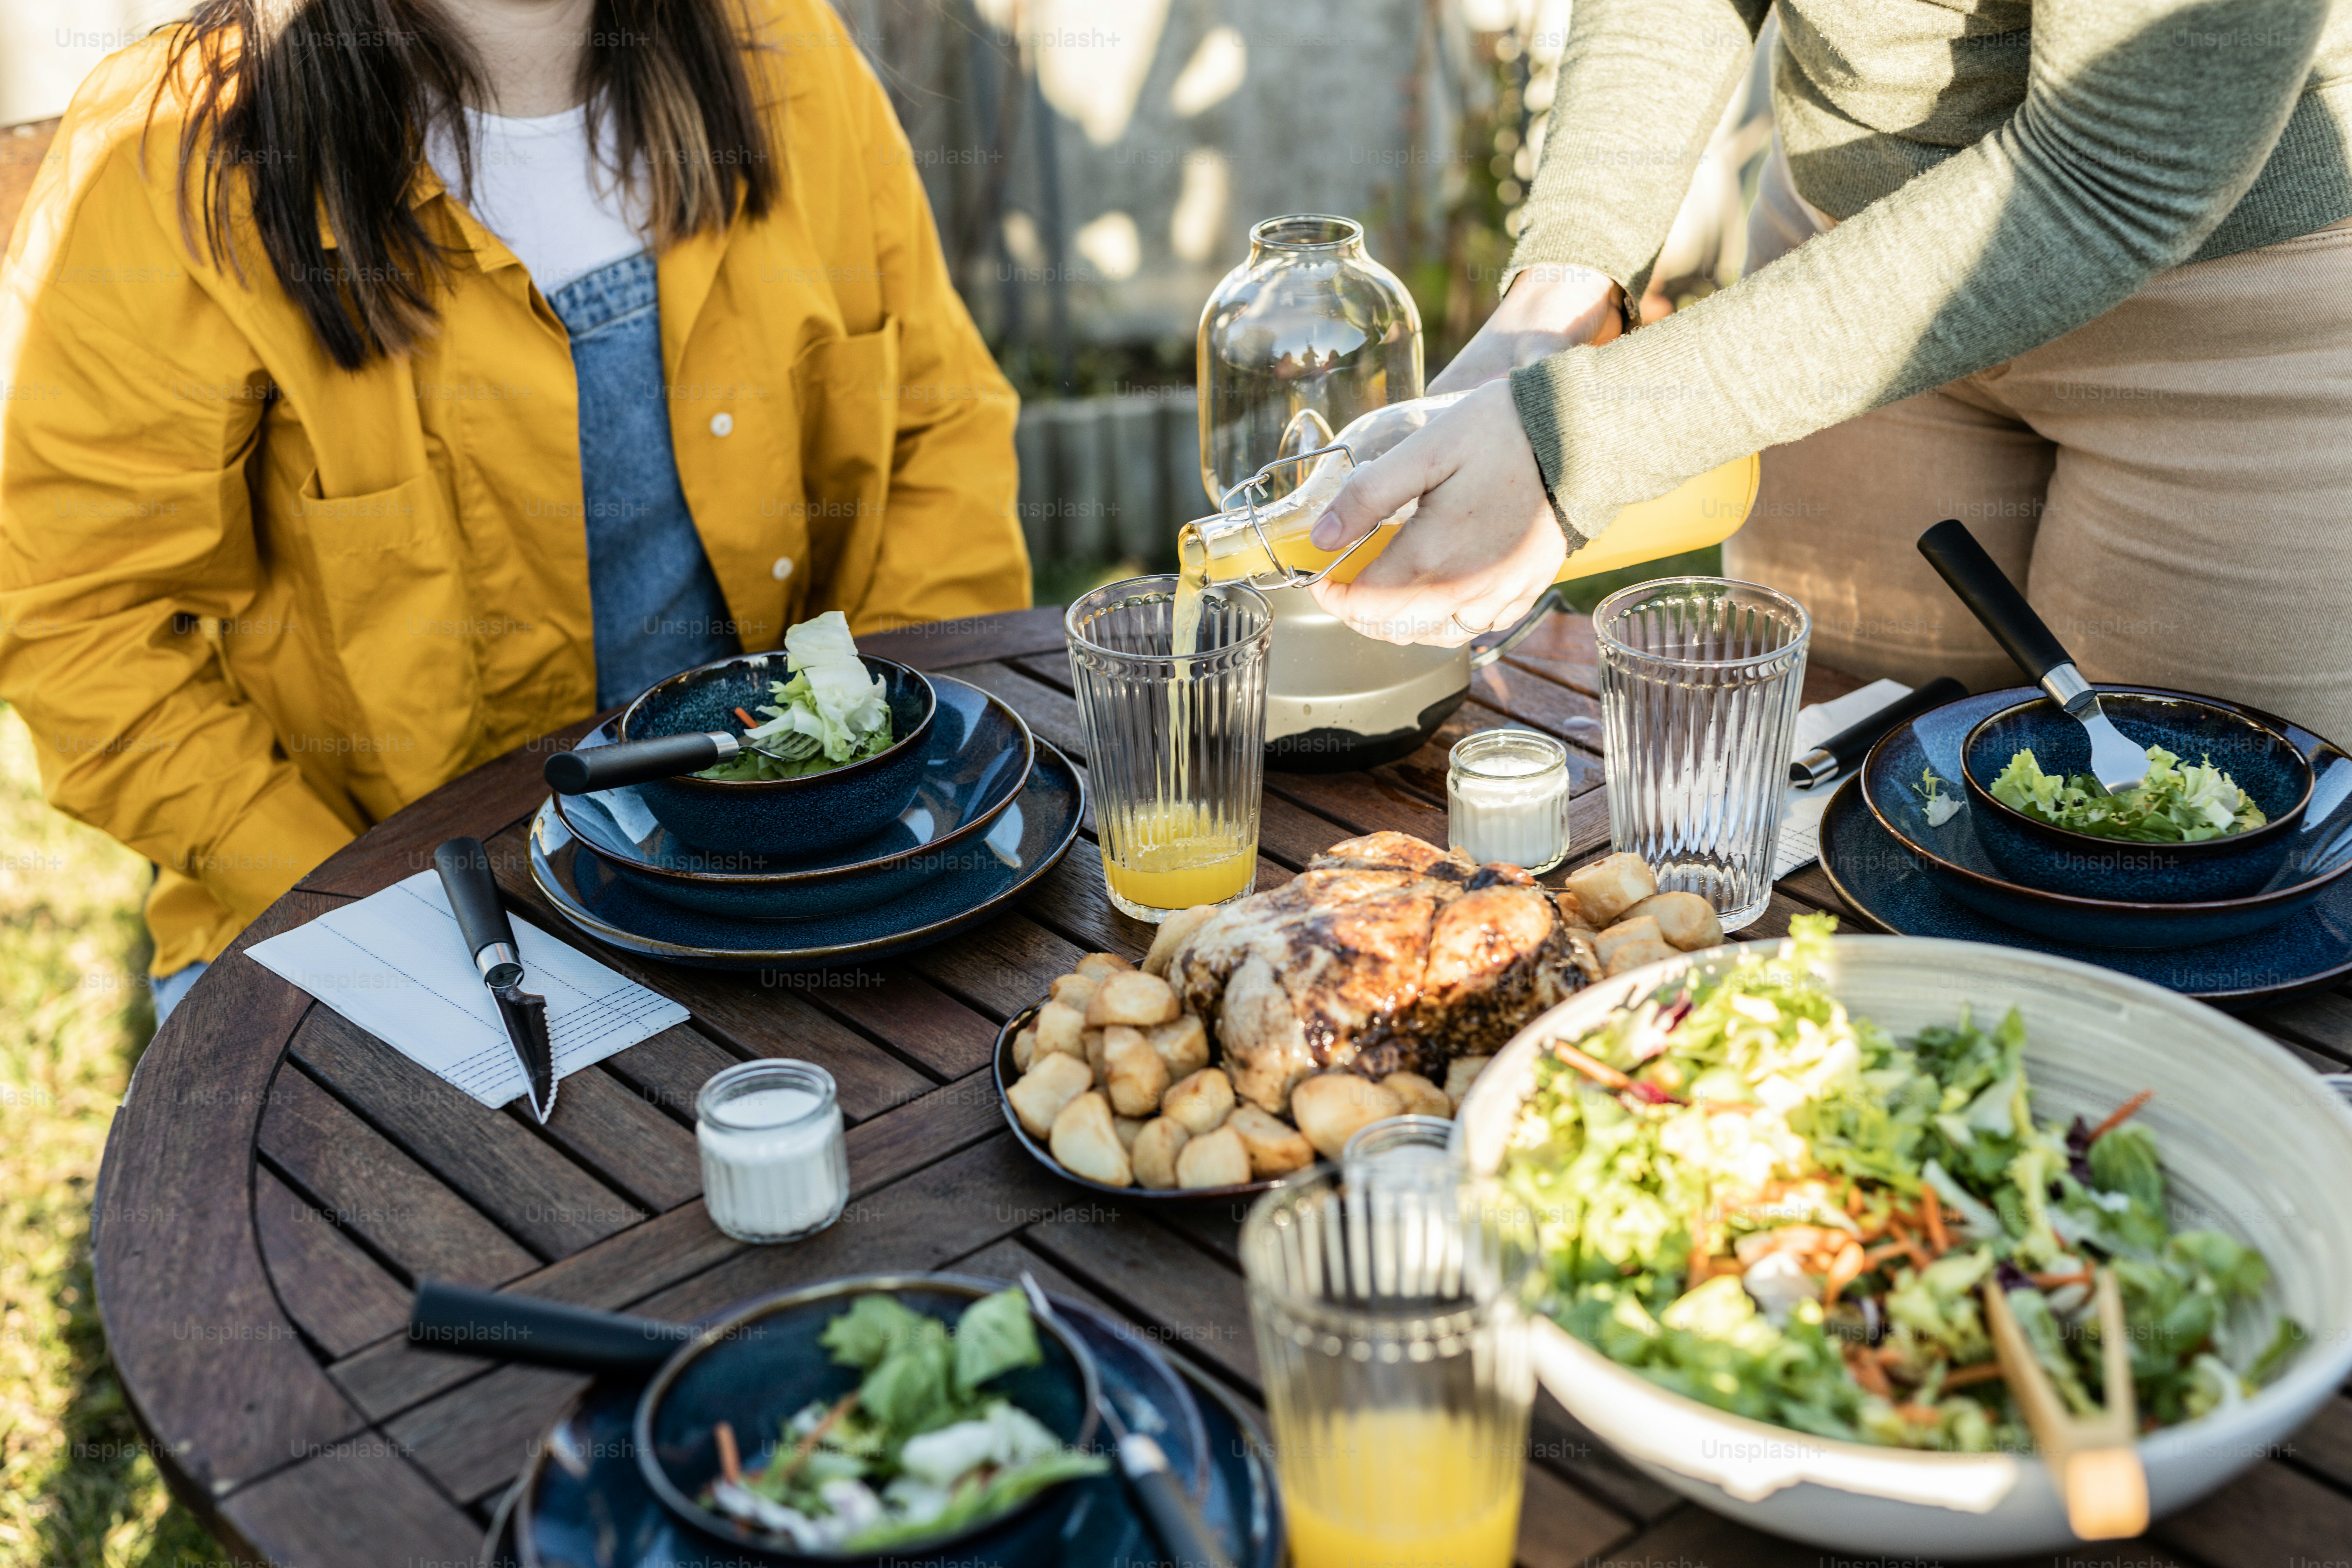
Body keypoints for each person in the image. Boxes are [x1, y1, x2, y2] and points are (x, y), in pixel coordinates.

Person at [0, 0, 1028, 1021]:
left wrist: (876, 782)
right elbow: (83, 624)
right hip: (361, 913)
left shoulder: (786, 49)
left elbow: (939, 432)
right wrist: (358, 901)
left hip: (777, 876)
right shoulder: (170, 155)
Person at [1308, 0, 2352, 743]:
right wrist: (1558, 300)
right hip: (1845, 293)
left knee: (2199, 874)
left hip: (2238, 329)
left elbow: (2119, 167)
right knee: (1827, 809)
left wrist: (1584, 436)